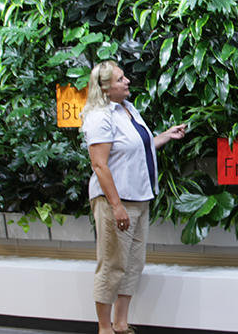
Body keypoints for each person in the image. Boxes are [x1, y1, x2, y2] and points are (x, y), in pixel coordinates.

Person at [79, 60, 186, 334]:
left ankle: (121, 323)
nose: (126, 81)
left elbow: (138, 147)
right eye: (119, 79)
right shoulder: (99, 116)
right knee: (112, 264)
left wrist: (165, 136)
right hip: (116, 202)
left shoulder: (128, 109)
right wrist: (116, 206)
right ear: (104, 89)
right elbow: (100, 165)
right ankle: (104, 328)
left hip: (139, 199)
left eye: (124, 77)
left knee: (133, 264)